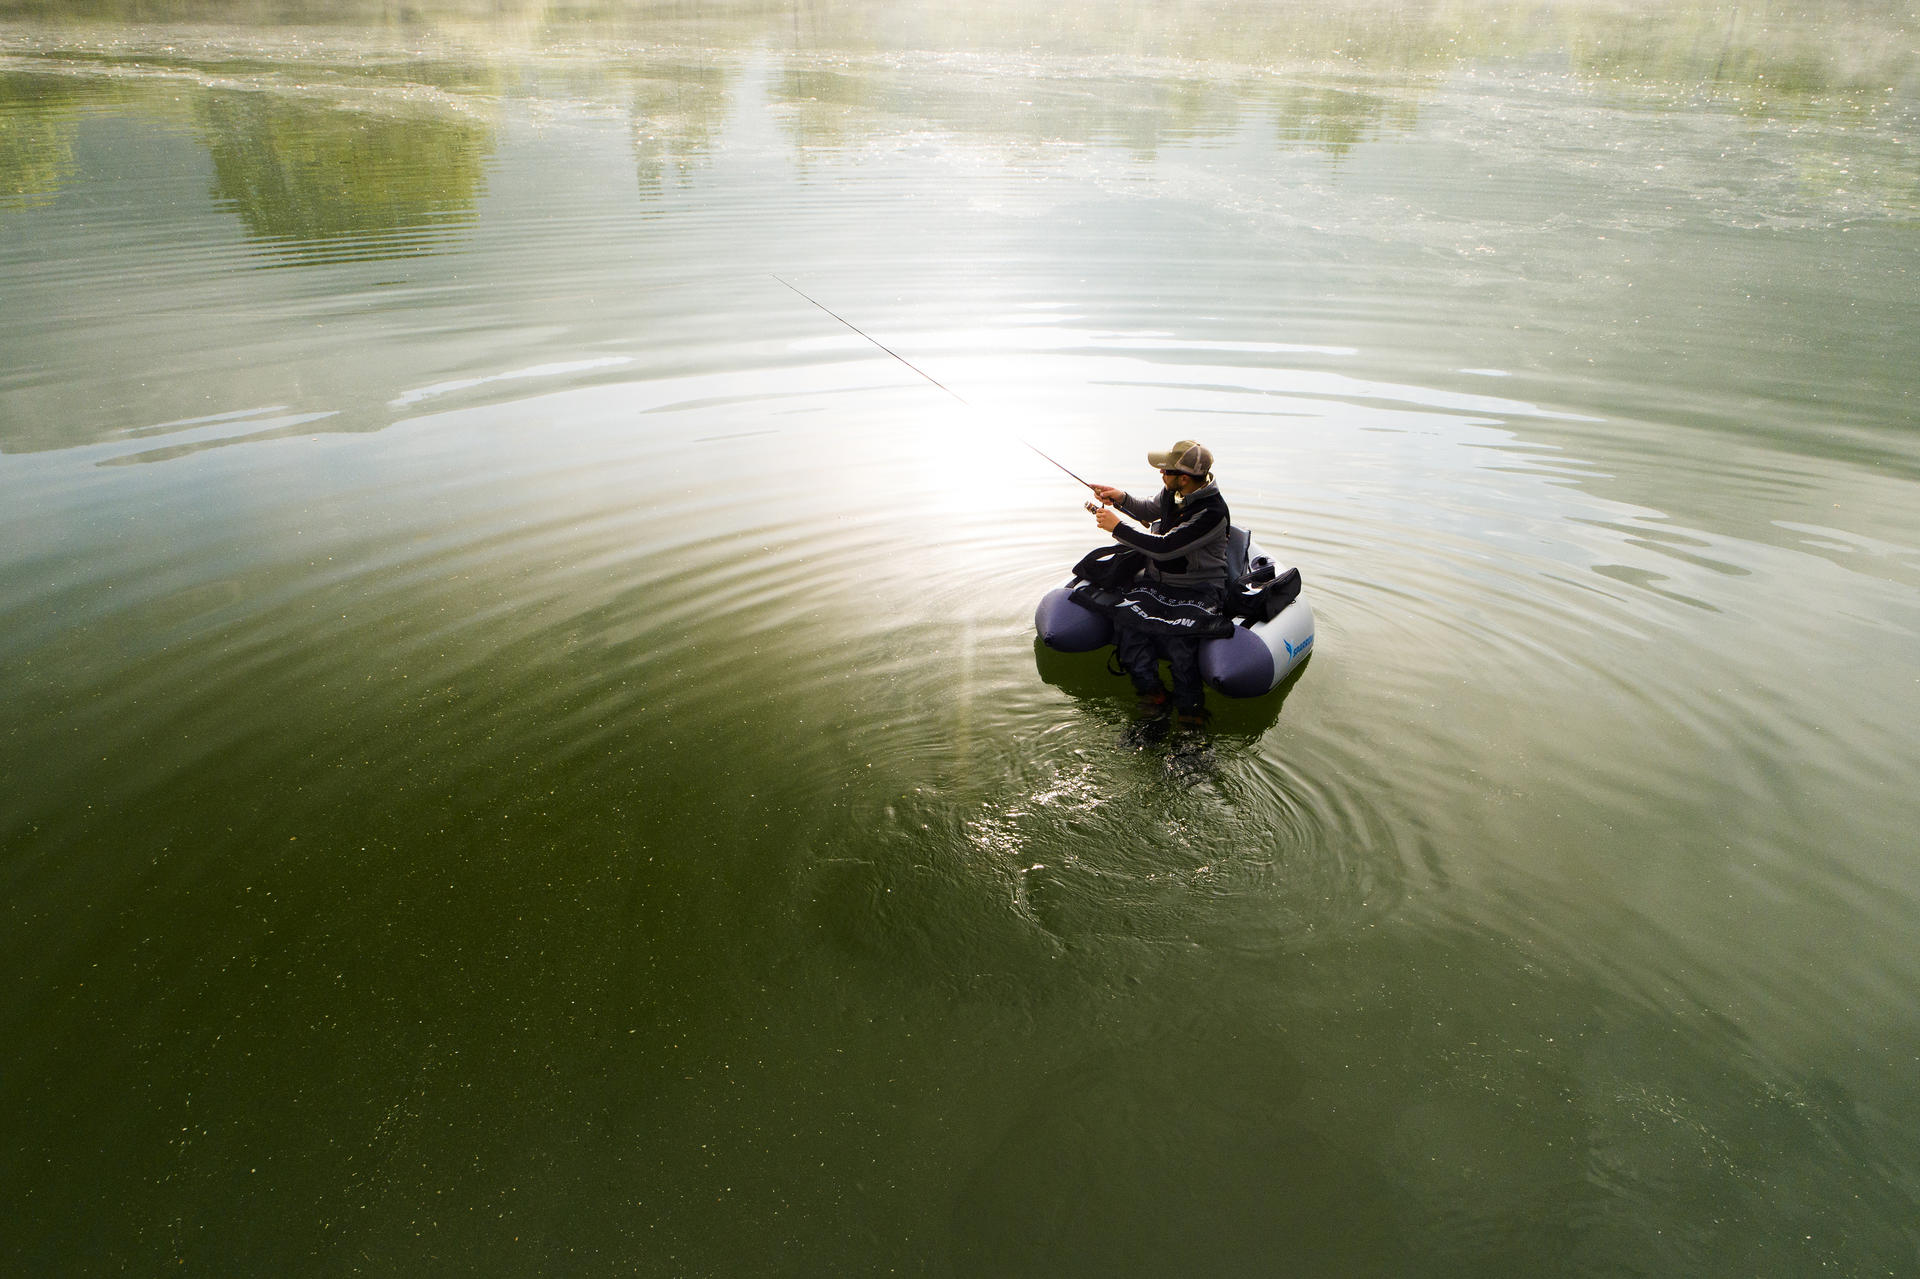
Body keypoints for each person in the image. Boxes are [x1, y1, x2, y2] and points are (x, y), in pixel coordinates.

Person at [1088, 439, 1232, 728]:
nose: (1161, 475)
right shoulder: (1173, 493)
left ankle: (1191, 713)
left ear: (1183, 478)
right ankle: (1152, 695)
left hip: (1199, 588)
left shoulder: (1212, 513)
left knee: (1180, 642)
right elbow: (1146, 511)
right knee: (1127, 625)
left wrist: (1117, 527)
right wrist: (1120, 498)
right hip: (1159, 584)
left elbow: (1165, 547)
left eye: (1165, 471)